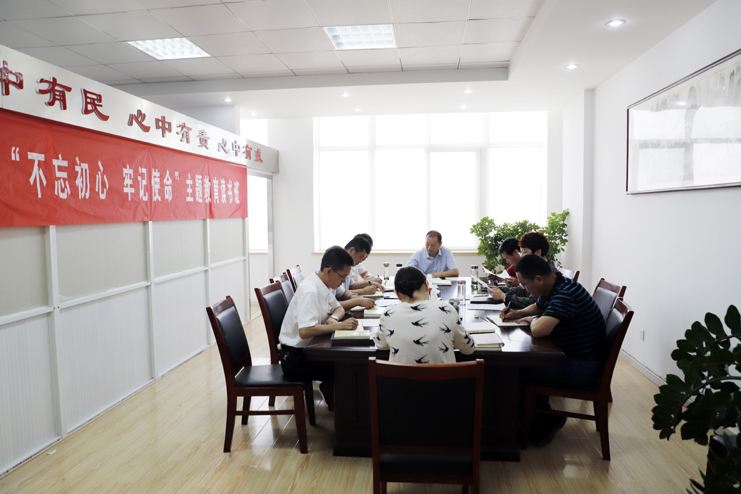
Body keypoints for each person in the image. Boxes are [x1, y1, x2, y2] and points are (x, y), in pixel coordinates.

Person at [500, 254, 606, 447]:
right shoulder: (557, 285)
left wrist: (533, 320)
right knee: (521, 367)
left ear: (538, 279)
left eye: (524, 284)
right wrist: (518, 313)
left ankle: (542, 423)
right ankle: (541, 417)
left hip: (581, 366)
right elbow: (538, 306)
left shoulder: (566, 294)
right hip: (575, 357)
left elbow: (538, 330)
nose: (524, 289)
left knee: (515, 371)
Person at [280, 246, 359, 384]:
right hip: (296, 358)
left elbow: (339, 308)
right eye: (343, 277)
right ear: (329, 271)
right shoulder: (310, 291)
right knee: (345, 368)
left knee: (349, 365)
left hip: (310, 349)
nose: (343, 282)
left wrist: (333, 318)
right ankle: (332, 395)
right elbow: (305, 331)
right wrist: (339, 326)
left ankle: (334, 395)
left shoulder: (323, 284)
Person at [374, 266, 474, 363]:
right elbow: (468, 348)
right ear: (426, 285)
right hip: (442, 375)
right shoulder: (447, 309)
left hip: (401, 375)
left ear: (397, 295)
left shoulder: (388, 314)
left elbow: (381, 345)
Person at [487, 232, 556, 309]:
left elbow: (533, 303)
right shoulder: (535, 269)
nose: (522, 257)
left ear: (538, 252)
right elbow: (522, 290)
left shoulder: (547, 273)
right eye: (521, 253)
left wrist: (504, 296)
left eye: (525, 252)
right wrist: (499, 290)